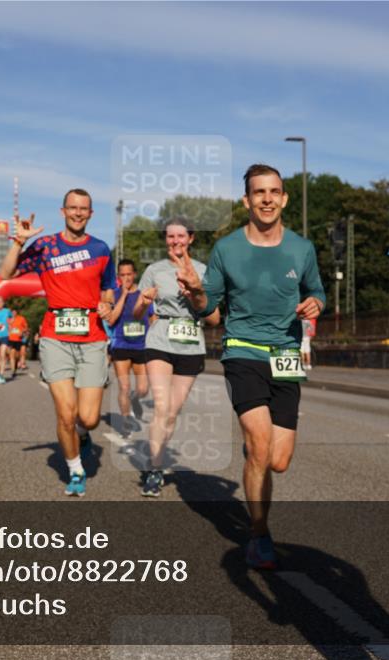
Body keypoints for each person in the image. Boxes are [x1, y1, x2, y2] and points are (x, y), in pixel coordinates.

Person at [175, 164, 325, 568]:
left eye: (274, 191)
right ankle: (260, 534)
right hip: (242, 350)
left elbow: (317, 291)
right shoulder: (227, 249)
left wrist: (316, 304)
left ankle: (254, 454)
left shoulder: (301, 248)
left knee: (278, 460)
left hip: (286, 355)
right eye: (259, 192)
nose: (267, 198)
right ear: (247, 200)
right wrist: (193, 292)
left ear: (284, 198)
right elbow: (209, 308)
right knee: (260, 447)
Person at [0, 188, 115, 497]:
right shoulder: (45, 247)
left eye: (84, 209)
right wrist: (20, 241)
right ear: (63, 211)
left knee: (88, 418)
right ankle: (75, 469)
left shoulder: (102, 249)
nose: (78, 213)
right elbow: (5, 273)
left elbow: (108, 290)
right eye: (72, 208)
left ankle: (82, 435)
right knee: (65, 412)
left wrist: (106, 305)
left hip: (92, 338)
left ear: (91, 214)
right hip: (55, 336)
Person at [132, 221, 213, 498]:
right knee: (161, 406)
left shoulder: (203, 271)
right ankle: (155, 469)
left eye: (181, 236)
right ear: (165, 240)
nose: (175, 241)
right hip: (160, 340)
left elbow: (214, 318)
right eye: (170, 236)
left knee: (172, 412)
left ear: (190, 239)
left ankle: (158, 454)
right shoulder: (154, 270)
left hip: (191, 344)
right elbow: (135, 312)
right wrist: (144, 301)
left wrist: (197, 295)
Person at [106, 259, 153, 437]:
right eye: (122, 275)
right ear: (118, 276)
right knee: (124, 387)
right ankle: (126, 421)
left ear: (135, 275)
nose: (126, 278)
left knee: (142, 389)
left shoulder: (144, 295)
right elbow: (111, 319)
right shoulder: (115, 295)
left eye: (129, 274)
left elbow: (152, 319)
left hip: (141, 346)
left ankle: (135, 400)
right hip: (121, 345)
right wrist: (124, 295)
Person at [7, 308, 29, 373]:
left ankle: (16, 364)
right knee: (12, 354)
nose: (13, 313)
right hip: (10, 339)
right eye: (12, 312)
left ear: (16, 312)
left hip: (18, 339)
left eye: (14, 312)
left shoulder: (21, 318)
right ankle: (13, 370)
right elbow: (4, 327)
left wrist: (22, 332)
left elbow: (26, 328)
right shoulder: (8, 319)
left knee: (17, 355)